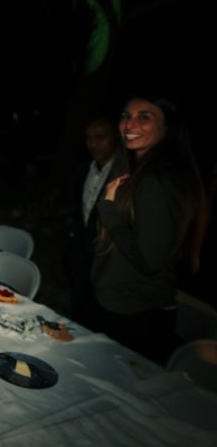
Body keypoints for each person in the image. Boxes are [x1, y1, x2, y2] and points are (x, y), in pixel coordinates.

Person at [90, 95, 207, 364]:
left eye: (144, 117)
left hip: (136, 315)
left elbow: (148, 260)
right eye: (125, 116)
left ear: (167, 128)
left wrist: (107, 210)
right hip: (122, 306)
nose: (130, 125)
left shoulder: (158, 179)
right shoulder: (142, 171)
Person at [67, 116, 119, 322]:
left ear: (114, 137)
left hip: (107, 256)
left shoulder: (124, 174)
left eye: (100, 137)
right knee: (78, 308)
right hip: (81, 251)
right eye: (89, 138)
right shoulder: (83, 169)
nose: (94, 144)